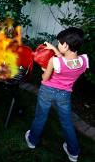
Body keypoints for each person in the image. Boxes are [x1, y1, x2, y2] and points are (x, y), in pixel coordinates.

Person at [25, 27, 89, 162]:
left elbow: (44, 79)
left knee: (40, 117)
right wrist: (55, 49)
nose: (58, 45)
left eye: (59, 43)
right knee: (66, 122)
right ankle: (73, 153)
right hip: (65, 95)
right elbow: (68, 64)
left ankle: (32, 141)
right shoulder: (84, 61)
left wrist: (44, 69)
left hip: (47, 92)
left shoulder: (54, 62)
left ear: (65, 45)